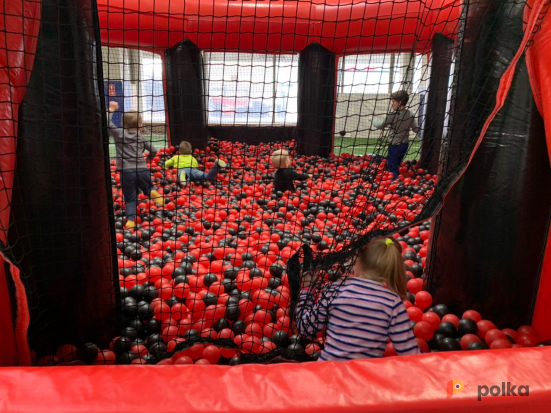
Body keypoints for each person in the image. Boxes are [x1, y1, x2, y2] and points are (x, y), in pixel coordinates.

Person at [296, 237, 420, 361]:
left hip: (328, 374)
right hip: (363, 377)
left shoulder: (334, 289)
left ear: (357, 261)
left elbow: (305, 328)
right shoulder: (393, 303)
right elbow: (411, 354)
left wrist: (307, 291)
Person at [107, 101, 164, 229]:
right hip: (142, 169)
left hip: (126, 171)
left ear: (122, 124)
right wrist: (149, 159)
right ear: (140, 126)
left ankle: (131, 221)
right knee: (148, 187)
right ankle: (152, 192)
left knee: (130, 198)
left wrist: (111, 109)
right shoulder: (141, 137)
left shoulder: (119, 134)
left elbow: (108, 125)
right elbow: (154, 150)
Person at [373, 90, 420, 179]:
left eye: (393, 101)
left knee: (392, 168)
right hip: (405, 145)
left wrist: (372, 119)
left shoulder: (392, 114)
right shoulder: (410, 114)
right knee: (396, 165)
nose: (392, 104)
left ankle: (393, 185)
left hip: (395, 146)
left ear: (399, 102)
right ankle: (397, 181)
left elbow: (380, 125)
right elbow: (416, 129)